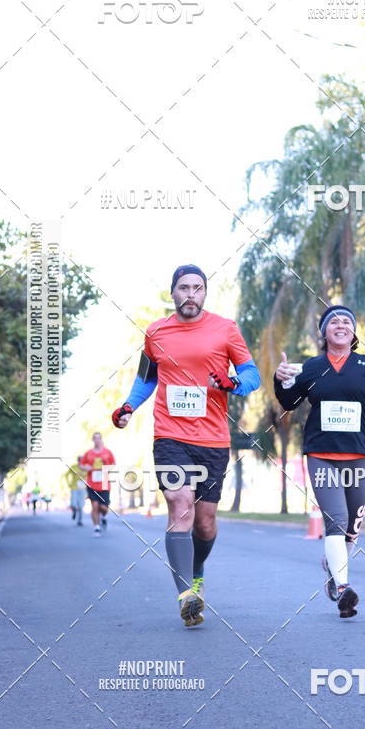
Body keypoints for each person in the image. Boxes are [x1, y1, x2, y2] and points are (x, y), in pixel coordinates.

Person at [111, 264, 260, 627]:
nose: (190, 294)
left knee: (205, 524)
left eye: (197, 288)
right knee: (180, 505)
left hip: (212, 439)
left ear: (204, 293)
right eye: (183, 288)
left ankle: (196, 572)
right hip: (170, 435)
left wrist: (230, 383)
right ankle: (186, 595)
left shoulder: (226, 329)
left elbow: (252, 376)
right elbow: (147, 379)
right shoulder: (156, 332)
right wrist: (129, 406)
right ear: (173, 292)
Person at [274, 304, 365, 619]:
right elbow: (289, 402)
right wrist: (280, 380)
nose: (341, 325)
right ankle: (345, 588)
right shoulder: (312, 367)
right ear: (324, 332)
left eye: (347, 321)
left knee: (351, 529)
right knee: (335, 519)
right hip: (321, 453)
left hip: (358, 454)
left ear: (354, 333)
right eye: (334, 322)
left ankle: (333, 569)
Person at [80, 433, 116, 535]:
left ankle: (103, 516)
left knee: (104, 508)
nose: (97, 440)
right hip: (92, 483)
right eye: (95, 438)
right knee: (95, 506)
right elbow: (81, 465)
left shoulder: (107, 452)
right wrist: (85, 468)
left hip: (104, 483)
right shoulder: (88, 453)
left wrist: (107, 468)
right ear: (93, 440)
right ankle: (96, 527)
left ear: (101, 439)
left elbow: (113, 464)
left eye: (98, 438)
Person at [64, 456, 87, 525]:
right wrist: (69, 484)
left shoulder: (86, 468)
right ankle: (74, 511)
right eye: (81, 460)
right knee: (73, 504)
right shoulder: (74, 467)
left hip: (82, 488)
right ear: (78, 461)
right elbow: (66, 475)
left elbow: (89, 476)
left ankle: (79, 521)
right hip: (74, 488)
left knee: (81, 505)